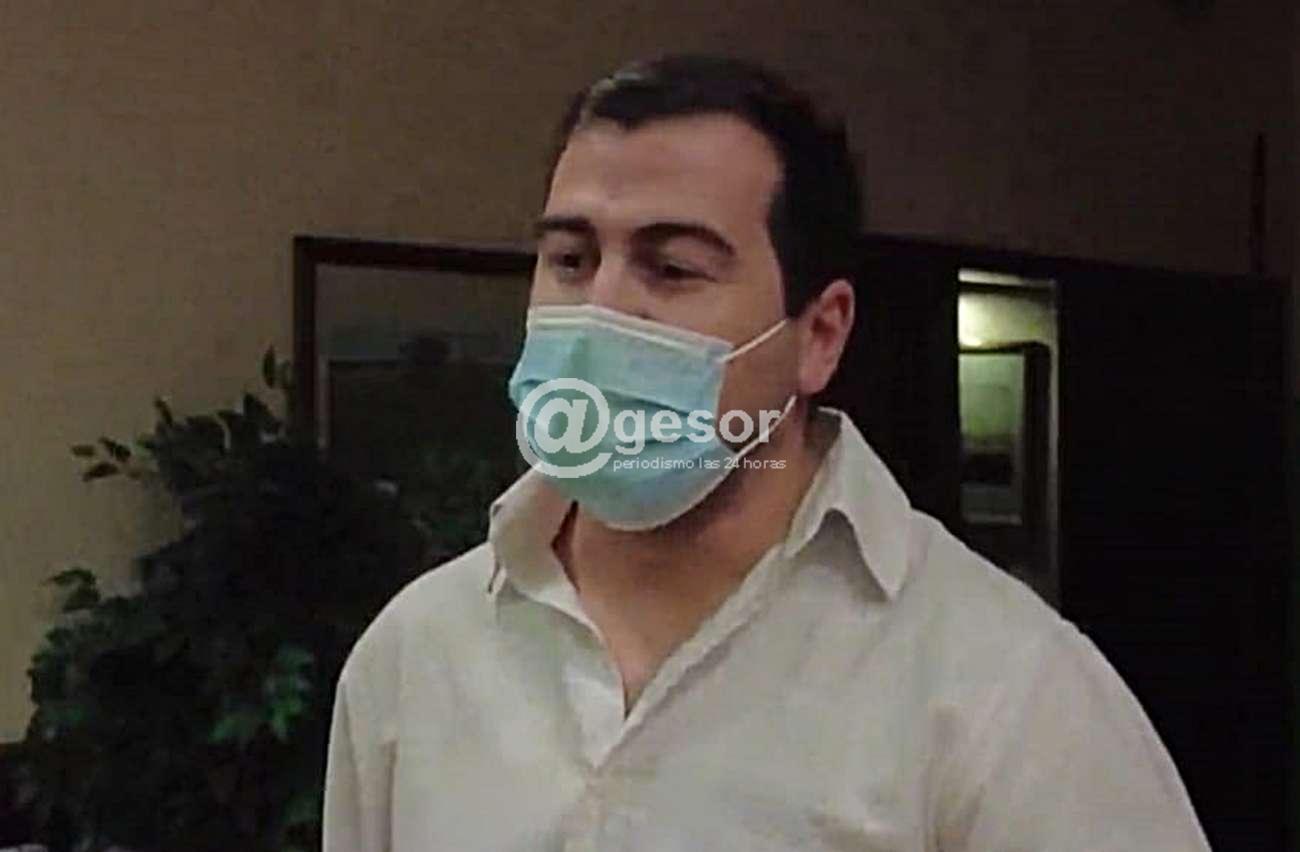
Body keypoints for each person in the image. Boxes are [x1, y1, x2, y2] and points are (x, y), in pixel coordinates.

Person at [323, 54, 1210, 851]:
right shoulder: (416, 653)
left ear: (819, 335)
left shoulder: (1004, 687)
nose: (600, 311)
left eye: (672, 268)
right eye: (570, 259)